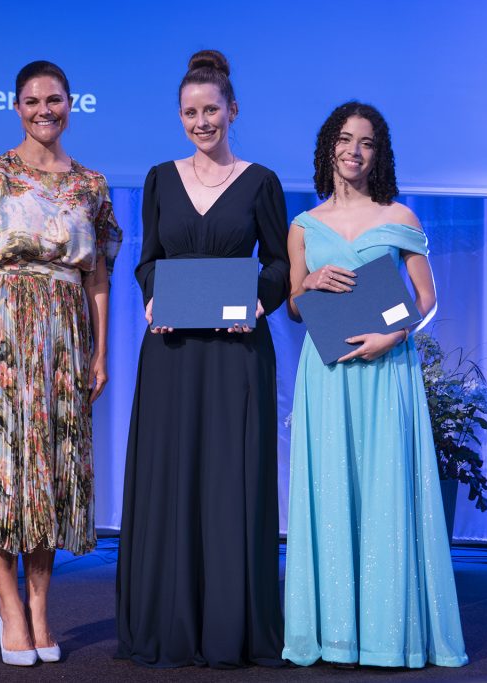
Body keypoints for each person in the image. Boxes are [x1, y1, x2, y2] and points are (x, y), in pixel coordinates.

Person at [0, 60, 121, 667]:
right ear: (16, 107)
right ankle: (10, 610)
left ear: (72, 103)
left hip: (65, 337)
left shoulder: (92, 184)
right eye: (31, 100)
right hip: (0, 333)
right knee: (1, 471)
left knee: (46, 472)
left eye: (55, 99)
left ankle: (42, 610)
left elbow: (97, 275)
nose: (44, 109)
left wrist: (99, 349)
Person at [115, 49, 289, 668]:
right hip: (173, 350)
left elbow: (278, 264)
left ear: (232, 110)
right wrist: (150, 295)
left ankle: (229, 628)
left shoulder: (261, 180)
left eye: (211, 109)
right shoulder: (160, 178)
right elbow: (146, 259)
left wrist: (259, 303)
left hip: (236, 353)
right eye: (190, 112)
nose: (201, 121)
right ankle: (170, 624)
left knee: (228, 481)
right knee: (172, 479)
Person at [282, 102, 468, 668]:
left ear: (377, 153)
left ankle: (391, 635)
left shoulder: (401, 217)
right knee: (331, 493)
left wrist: (393, 337)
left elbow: (427, 301)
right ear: (328, 148)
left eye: (365, 142)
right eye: (344, 139)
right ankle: (334, 633)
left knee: (385, 493)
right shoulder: (303, 226)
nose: (353, 150)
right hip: (328, 373)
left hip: (387, 371)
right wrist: (309, 281)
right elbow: (293, 306)